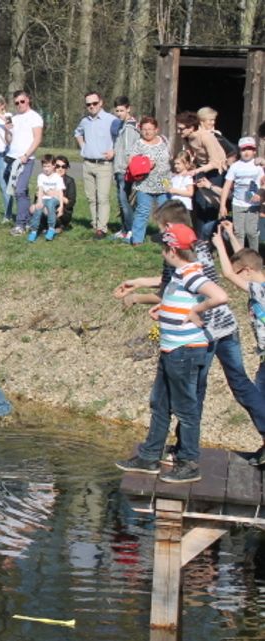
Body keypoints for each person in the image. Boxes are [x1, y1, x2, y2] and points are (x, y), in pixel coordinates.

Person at [116, 223, 229, 484]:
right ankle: (150, 456)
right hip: (171, 350)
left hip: (185, 352)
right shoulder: (179, 273)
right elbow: (174, 297)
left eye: (163, 248)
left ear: (172, 249)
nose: (162, 253)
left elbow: (219, 296)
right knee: (160, 403)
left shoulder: (191, 273)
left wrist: (195, 312)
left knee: (185, 408)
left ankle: (189, 462)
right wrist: (164, 309)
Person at [212, 222, 265, 460]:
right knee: (258, 401)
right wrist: (231, 236)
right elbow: (245, 258)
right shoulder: (260, 282)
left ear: (246, 271)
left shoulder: (260, 289)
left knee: (255, 400)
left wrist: (218, 246)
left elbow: (229, 273)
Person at [74, 91, 120, 238]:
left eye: (94, 103)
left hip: (104, 165)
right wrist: (83, 147)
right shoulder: (85, 121)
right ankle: (95, 223)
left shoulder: (112, 120)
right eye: (88, 104)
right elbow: (77, 133)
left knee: (103, 198)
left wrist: (114, 151)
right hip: (87, 163)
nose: (91, 106)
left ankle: (102, 228)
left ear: (101, 103)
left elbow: (122, 138)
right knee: (91, 198)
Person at [125, 116, 172, 245]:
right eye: (144, 129)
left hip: (164, 181)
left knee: (166, 211)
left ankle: (167, 238)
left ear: (156, 129)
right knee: (143, 211)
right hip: (145, 183)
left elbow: (170, 157)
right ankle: (137, 239)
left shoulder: (164, 141)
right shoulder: (138, 144)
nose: (147, 132)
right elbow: (131, 162)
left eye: (150, 129)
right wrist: (145, 164)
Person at [7, 90, 45, 235]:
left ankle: (20, 224)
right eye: (16, 102)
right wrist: (7, 130)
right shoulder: (15, 118)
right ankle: (29, 220)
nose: (19, 105)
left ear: (28, 100)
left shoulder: (35, 117)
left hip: (26, 159)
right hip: (12, 158)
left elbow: (37, 138)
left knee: (20, 191)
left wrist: (26, 155)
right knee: (18, 191)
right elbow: (10, 140)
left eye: (22, 101)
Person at [219, 137, 265, 251]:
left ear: (254, 151)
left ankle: (254, 257)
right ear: (239, 151)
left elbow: (263, 184)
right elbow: (227, 186)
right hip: (238, 203)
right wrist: (222, 205)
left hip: (253, 204)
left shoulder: (258, 166)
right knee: (239, 233)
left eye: (250, 149)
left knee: (251, 232)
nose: (247, 152)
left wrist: (260, 195)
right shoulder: (235, 166)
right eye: (244, 149)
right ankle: (240, 257)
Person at [112, 97, 140, 237]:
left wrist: (128, 169)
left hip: (125, 170)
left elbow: (129, 151)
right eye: (117, 110)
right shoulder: (122, 125)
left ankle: (130, 229)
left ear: (128, 109)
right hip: (119, 168)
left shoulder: (129, 127)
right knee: (122, 200)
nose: (119, 113)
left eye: (122, 110)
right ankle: (124, 229)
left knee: (125, 201)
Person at [25, 154, 63, 242]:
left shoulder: (57, 177)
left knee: (50, 204)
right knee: (38, 209)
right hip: (44, 198)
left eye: (48, 166)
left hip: (54, 199)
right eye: (44, 166)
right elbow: (41, 189)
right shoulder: (41, 176)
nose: (46, 169)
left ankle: (51, 228)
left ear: (54, 166)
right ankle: (34, 231)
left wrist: (61, 206)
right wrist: (39, 202)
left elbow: (60, 192)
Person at [55, 155, 78, 231]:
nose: (60, 169)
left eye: (63, 166)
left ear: (67, 168)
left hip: (64, 211)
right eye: (57, 166)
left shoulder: (70, 181)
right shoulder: (47, 179)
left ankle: (61, 225)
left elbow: (71, 203)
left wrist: (58, 195)